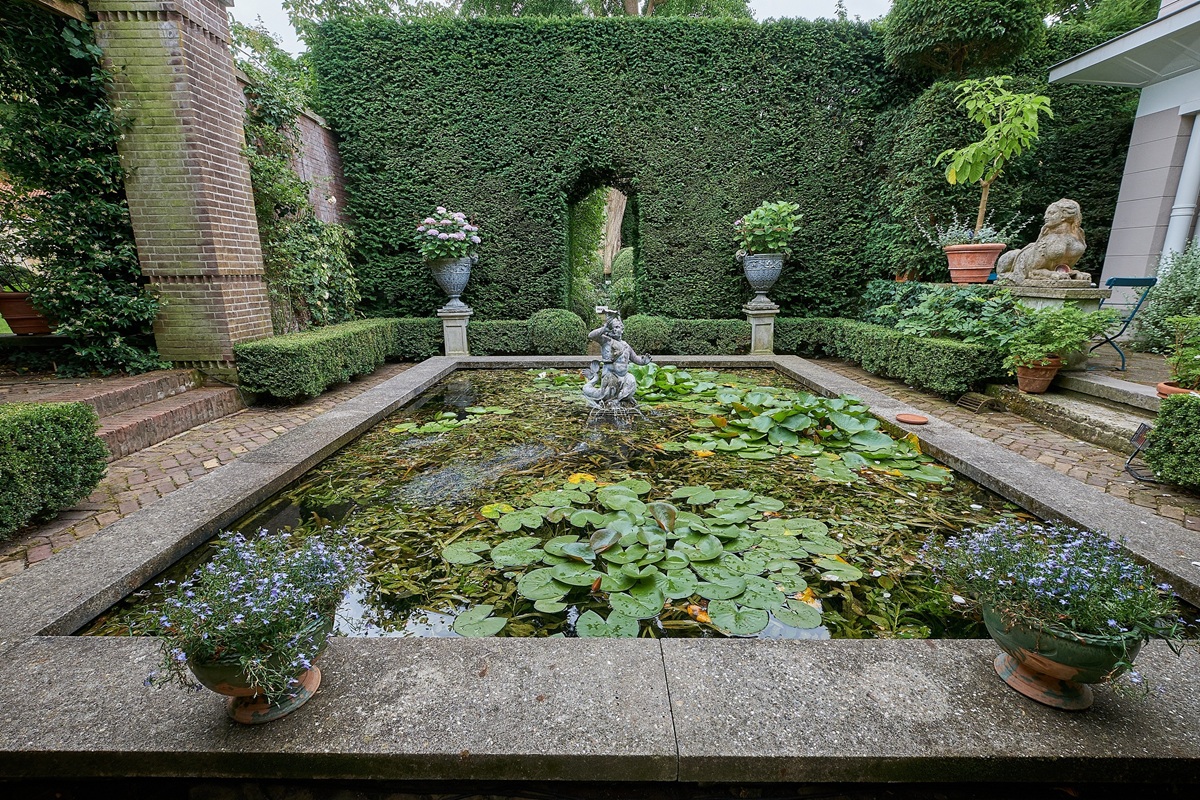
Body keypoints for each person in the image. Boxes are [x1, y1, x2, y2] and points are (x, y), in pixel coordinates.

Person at [581, 309, 651, 410]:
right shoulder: (606, 341)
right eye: (613, 327)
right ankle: (610, 400)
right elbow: (591, 336)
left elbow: (636, 359)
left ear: (622, 330)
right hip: (610, 376)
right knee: (611, 383)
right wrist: (604, 327)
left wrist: (644, 361)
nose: (615, 330)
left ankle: (621, 399)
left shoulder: (626, 346)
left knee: (631, 380)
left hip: (624, 377)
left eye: (618, 327)